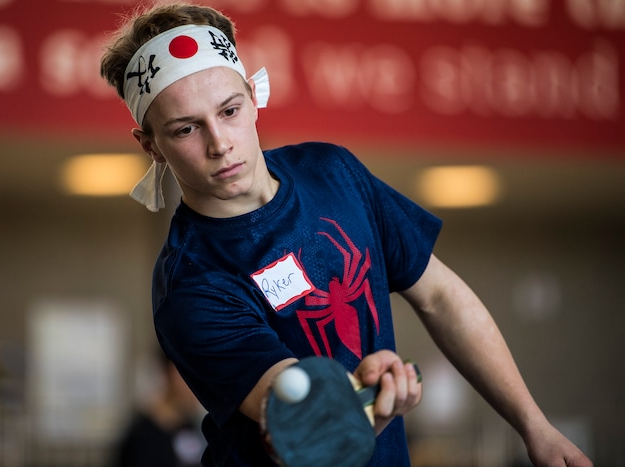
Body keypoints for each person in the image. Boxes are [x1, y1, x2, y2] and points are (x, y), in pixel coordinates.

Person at [100, 3, 593, 466]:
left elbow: (440, 296)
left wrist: (534, 425)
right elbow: (298, 425)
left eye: (229, 111)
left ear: (253, 97)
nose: (219, 144)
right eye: (186, 129)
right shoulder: (192, 285)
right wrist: (372, 406)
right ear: (151, 146)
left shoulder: (332, 172)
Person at [109, 349, 206, 467]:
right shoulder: (141, 437)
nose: (199, 382)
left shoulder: (194, 429)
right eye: (189, 372)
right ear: (168, 372)